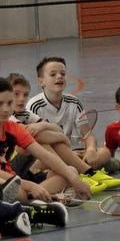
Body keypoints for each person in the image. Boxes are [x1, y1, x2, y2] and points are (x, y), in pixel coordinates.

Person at [10, 72, 120, 194]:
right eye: (16, 94)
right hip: (17, 166)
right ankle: (86, 174)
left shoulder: (25, 114)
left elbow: (57, 129)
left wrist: (43, 125)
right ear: (42, 81)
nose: (21, 99)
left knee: (96, 157)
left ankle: (85, 174)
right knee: (40, 141)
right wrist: (63, 138)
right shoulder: (15, 113)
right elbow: (32, 137)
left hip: (43, 161)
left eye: (25, 95)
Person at [0, 76, 87, 216]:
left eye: (9, 103)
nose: (5, 109)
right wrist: (30, 186)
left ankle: (34, 201)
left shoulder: (13, 128)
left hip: (14, 180)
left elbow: (44, 154)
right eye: (0, 104)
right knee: (12, 188)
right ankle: (34, 202)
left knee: (70, 171)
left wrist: (75, 180)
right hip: (8, 181)